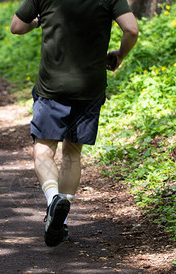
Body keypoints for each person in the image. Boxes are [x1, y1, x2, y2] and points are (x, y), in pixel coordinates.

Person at [10, 0, 138, 247]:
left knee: (44, 152)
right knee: (72, 155)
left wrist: (38, 22)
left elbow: (16, 26)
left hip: (52, 87)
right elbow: (131, 29)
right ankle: (62, 220)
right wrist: (120, 54)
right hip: (89, 87)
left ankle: (53, 200)